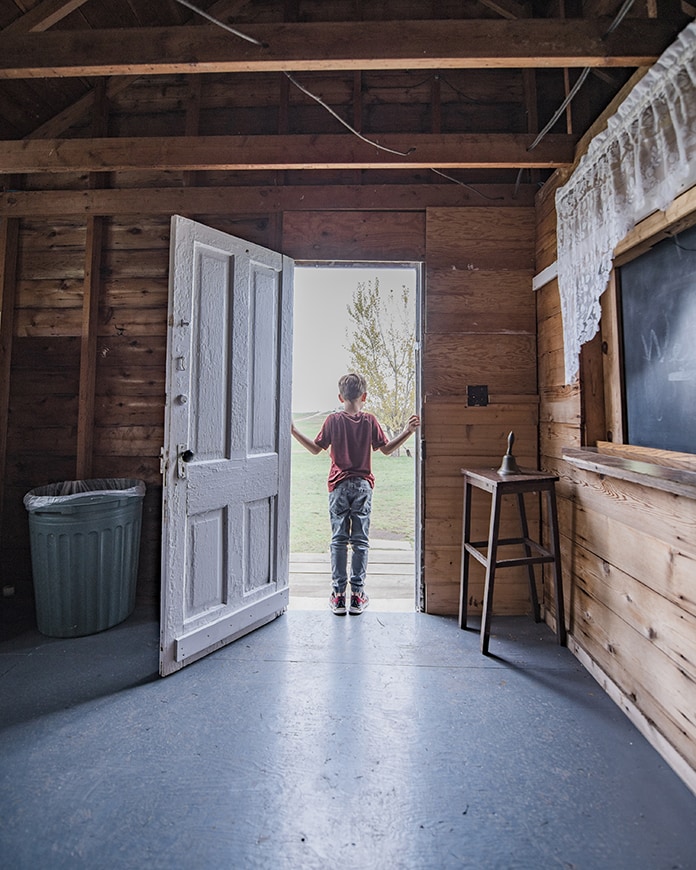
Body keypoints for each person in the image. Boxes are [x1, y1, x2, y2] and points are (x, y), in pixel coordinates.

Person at [291, 373, 420, 616]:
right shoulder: (370, 421)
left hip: (339, 486)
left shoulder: (332, 420)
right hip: (362, 486)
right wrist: (408, 431)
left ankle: (339, 596)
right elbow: (386, 449)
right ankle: (357, 596)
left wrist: (294, 431)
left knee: (339, 540)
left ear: (340, 397)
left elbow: (315, 450)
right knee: (359, 541)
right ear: (365, 396)